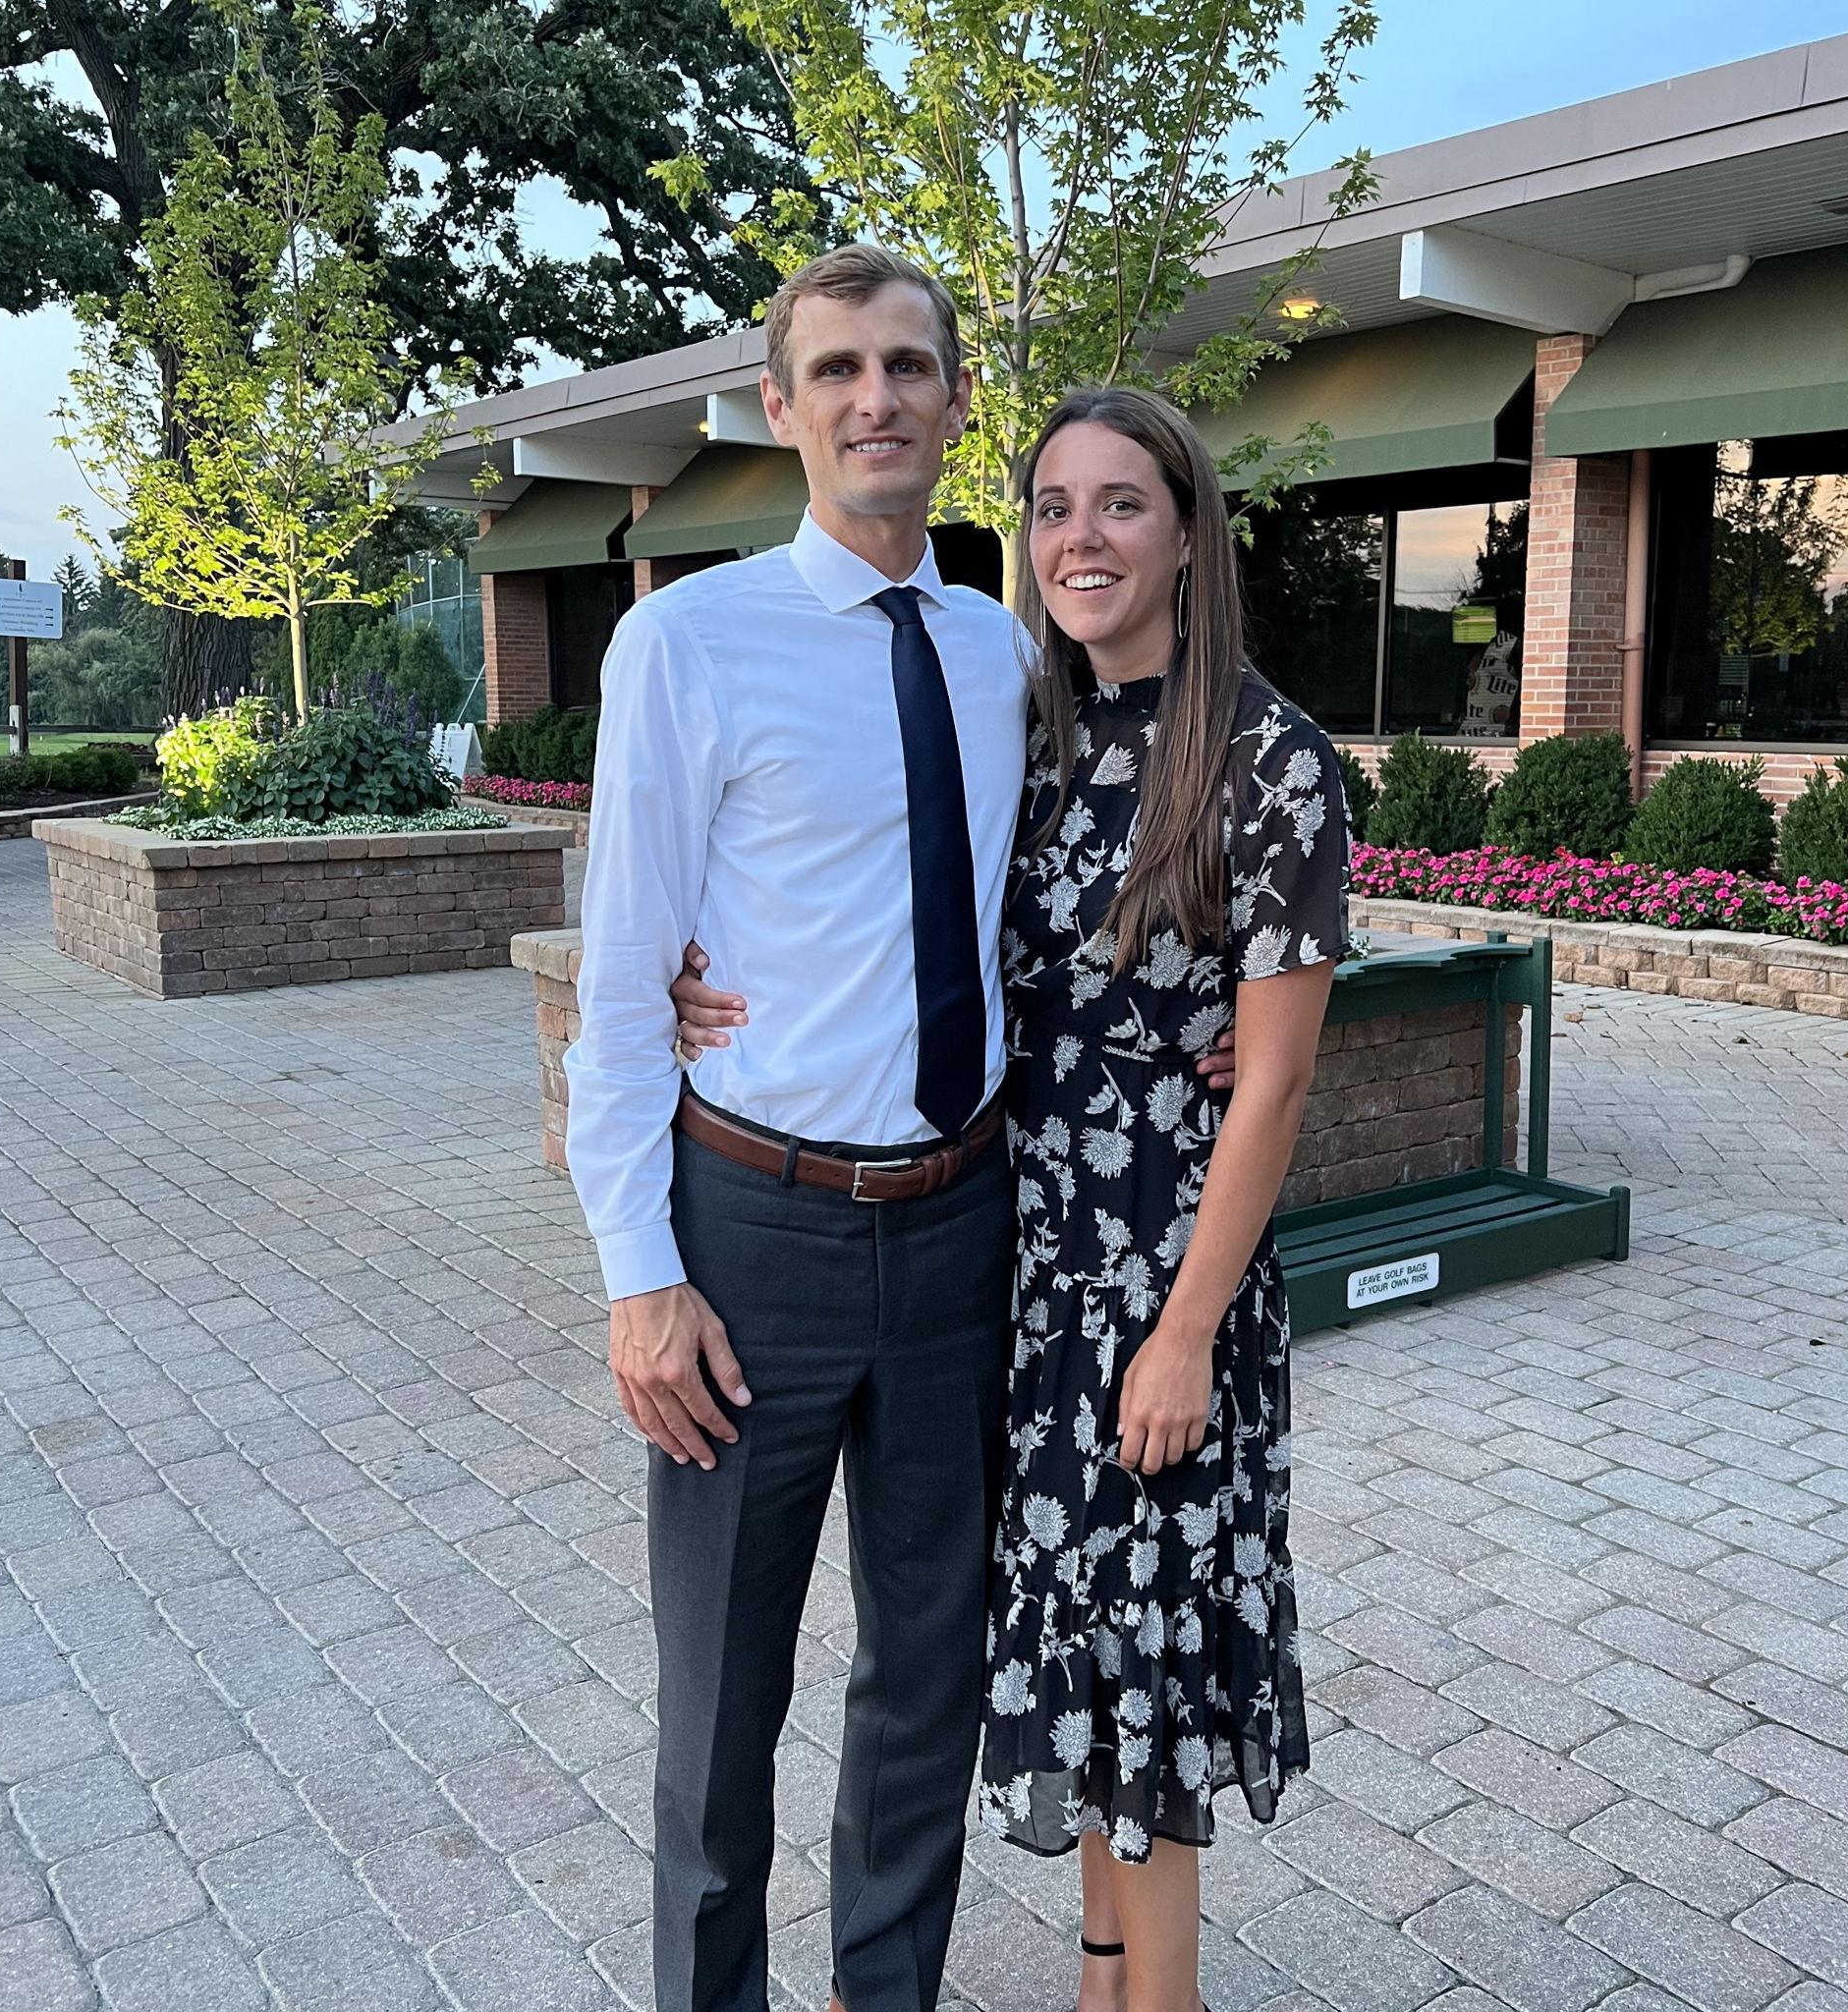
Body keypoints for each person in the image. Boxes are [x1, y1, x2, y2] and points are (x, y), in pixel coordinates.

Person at [676, 386, 1350, 2012]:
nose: (1080, 538)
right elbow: (877, 893)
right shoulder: (1034, 731)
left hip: (1165, 1292)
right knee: (1083, 1652)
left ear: (1187, 534)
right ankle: (1099, 1978)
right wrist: (701, 967)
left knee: (1157, 1662)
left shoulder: (1268, 758)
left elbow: (1272, 1083)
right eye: (1053, 506)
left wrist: (1184, 1335)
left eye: (1122, 504)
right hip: (1026, 1278)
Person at [563, 243, 1029, 2012]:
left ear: (955, 399)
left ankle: (881, 1994)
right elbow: (626, 982)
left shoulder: (1002, 653)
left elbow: (1055, 903)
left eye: (907, 365)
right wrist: (639, 1274)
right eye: (835, 370)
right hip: (753, 1240)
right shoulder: (687, 643)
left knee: (928, 1673)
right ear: (780, 409)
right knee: (721, 1698)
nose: (874, 399)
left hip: (963, 1220)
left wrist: (1221, 1021)